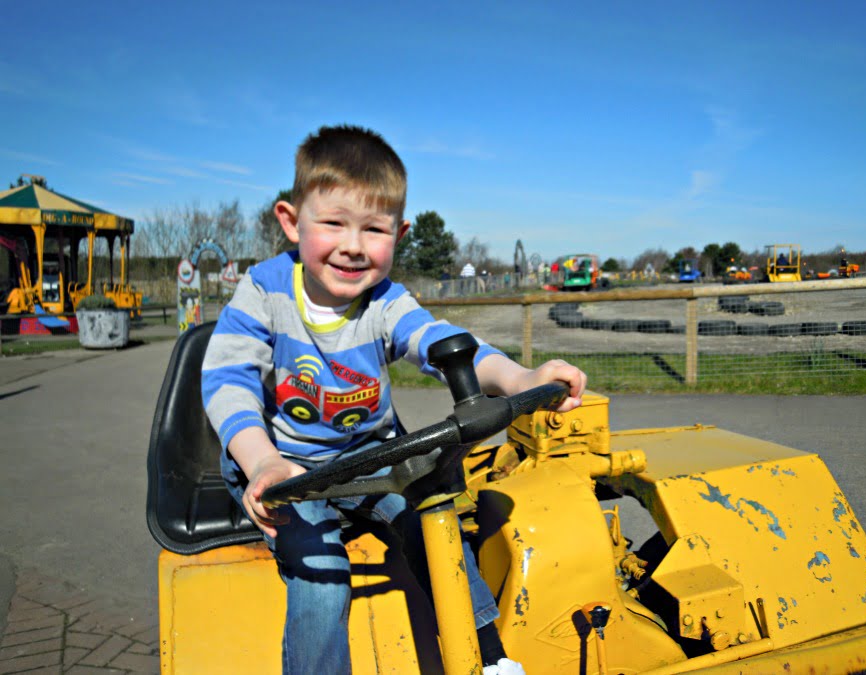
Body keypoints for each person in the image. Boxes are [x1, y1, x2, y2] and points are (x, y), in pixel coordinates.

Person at [201, 125, 587, 674]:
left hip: (372, 457)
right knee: (321, 576)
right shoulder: (264, 292)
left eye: (374, 229)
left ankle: (490, 660)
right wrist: (262, 459)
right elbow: (228, 379)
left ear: (399, 234)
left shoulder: (385, 302)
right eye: (333, 223)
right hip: (290, 467)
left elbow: (441, 344)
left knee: (437, 532)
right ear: (291, 221)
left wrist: (520, 379)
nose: (353, 245)